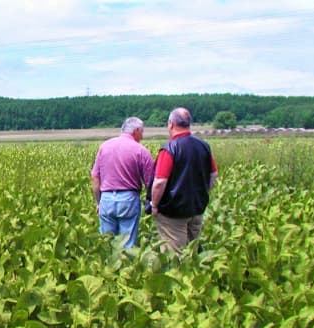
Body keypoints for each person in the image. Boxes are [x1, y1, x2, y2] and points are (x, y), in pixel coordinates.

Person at [150, 107, 218, 253]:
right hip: (197, 208)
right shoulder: (204, 146)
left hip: (173, 212)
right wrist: (203, 192)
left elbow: (160, 182)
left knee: (175, 254)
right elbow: (213, 174)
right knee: (193, 252)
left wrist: (154, 205)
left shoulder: (170, 148)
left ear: (171, 124)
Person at [90, 117, 154, 248]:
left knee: (106, 244)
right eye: (141, 132)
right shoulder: (141, 150)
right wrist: (152, 202)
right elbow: (150, 182)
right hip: (128, 199)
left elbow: (95, 177)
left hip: (106, 199)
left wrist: (98, 202)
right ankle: (126, 266)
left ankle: (107, 267)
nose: (142, 136)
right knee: (127, 245)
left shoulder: (104, 146)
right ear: (136, 131)